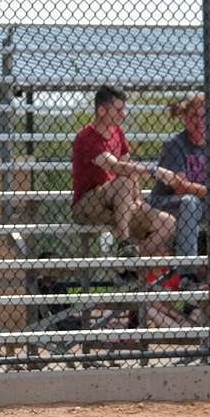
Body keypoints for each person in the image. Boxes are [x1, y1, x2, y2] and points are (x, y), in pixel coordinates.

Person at [70, 85, 175, 260]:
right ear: (102, 110)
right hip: (88, 204)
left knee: (168, 223)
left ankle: (127, 264)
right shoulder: (86, 137)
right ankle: (125, 243)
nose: (123, 114)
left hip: (119, 205)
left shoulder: (117, 132)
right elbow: (117, 167)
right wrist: (153, 171)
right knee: (123, 182)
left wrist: (138, 198)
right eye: (118, 109)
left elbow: (128, 165)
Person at [147, 94, 207, 289]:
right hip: (166, 203)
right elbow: (180, 186)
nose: (199, 121)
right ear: (184, 117)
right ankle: (187, 274)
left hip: (200, 204)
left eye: (203, 116)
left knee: (194, 202)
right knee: (189, 201)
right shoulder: (176, 144)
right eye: (193, 116)